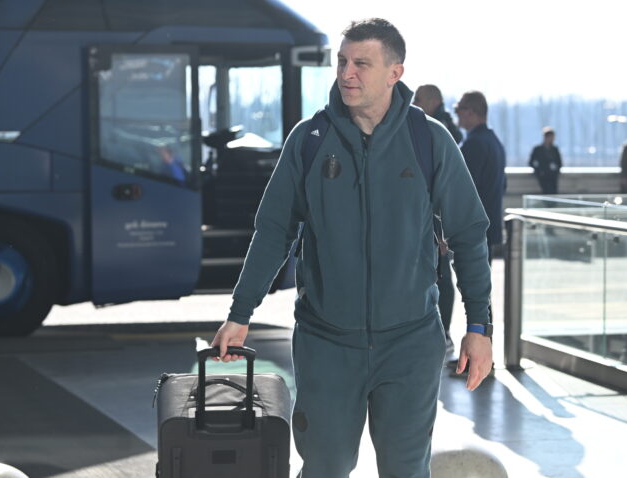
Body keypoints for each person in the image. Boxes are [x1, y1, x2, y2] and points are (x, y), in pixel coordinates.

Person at [211, 18, 493, 478]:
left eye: (362, 63)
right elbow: (274, 230)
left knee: (405, 470)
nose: (347, 73)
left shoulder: (428, 140)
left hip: (410, 344)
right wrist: (241, 312)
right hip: (326, 343)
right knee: (326, 467)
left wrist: (479, 327)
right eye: (342, 61)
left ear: (395, 73)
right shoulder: (309, 140)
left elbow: (469, 234)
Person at [412, 84, 462, 352]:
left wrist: (441, 231)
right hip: (436, 218)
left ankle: (443, 333)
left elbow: (440, 186)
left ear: (432, 101)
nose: (414, 103)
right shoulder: (441, 128)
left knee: (441, 276)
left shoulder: (437, 131)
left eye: (419, 99)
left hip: (438, 221)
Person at [455, 91, 506, 259]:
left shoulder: (473, 143)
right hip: (489, 223)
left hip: (474, 228)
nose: (456, 114)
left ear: (469, 112)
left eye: (458, 109)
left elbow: (464, 189)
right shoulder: (494, 141)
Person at [528, 126, 562, 194]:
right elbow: (531, 162)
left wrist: (556, 170)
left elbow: (559, 162)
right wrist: (539, 171)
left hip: (553, 177)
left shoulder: (555, 149)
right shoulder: (538, 149)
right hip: (542, 176)